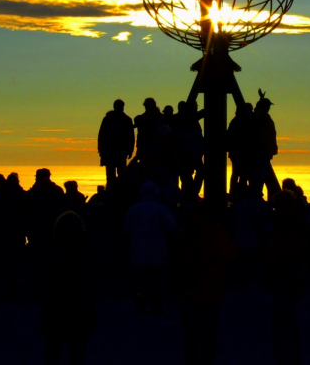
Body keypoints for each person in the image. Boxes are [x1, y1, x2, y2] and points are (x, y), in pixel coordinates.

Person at [175, 201, 237, 365]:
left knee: (189, 336)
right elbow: (229, 254)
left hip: (185, 288)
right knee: (208, 334)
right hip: (209, 289)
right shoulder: (215, 230)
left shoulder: (184, 229)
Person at [39, 211, 96, 365]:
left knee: (51, 355)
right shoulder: (87, 256)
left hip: (53, 314)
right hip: (80, 315)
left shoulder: (50, 255)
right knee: (77, 355)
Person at [265, 190, 310, 365]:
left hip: (283, 276)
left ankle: (285, 353)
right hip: (296, 275)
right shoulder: (302, 225)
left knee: (282, 317)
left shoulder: (283, 226)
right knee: (289, 315)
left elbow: (279, 253)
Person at [123, 181, 176, 314]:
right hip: (157, 251)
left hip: (138, 250)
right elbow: (172, 227)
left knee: (140, 281)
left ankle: (140, 306)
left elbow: (125, 230)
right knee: (155, 281)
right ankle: (156, 306)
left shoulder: (134, 209)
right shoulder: (160, 209)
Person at [97, 99, 135, 192]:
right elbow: (101, 136)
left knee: (120, 174)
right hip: (110, 152)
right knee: (112, 175)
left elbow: (130, 137)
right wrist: (101, 151)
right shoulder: (109, 119)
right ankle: (113, 192)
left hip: (119, 152)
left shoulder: (126, 120)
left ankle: (118, 192)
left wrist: (130, 150)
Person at [252, 89, 280, 196]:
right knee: (260, 176)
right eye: (267, 106)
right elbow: (258, 113)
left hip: (265, 152)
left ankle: (259, 195)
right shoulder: (261, 118)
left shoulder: (265, 117)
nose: (269, 108)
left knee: (263, 176)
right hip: (261, 152)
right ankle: (257, 195)